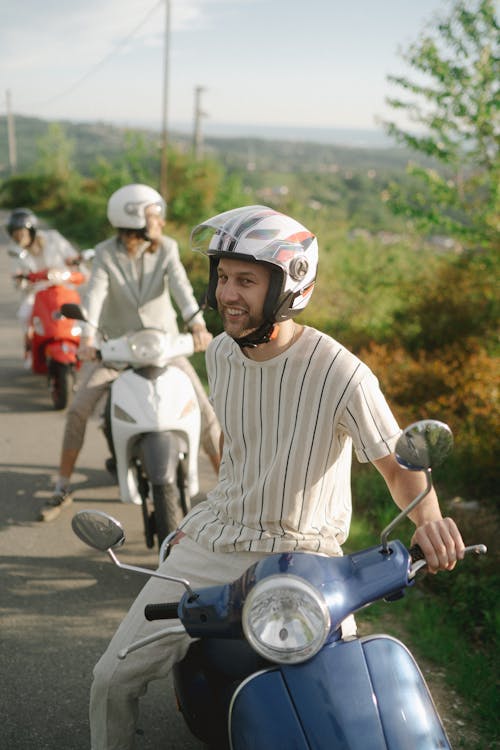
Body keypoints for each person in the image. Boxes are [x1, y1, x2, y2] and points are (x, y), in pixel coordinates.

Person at [88, 205, 465, 750]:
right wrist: (204, 517)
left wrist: (429, 524)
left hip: (306, 557)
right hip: (216, 541)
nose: (226, 294)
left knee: (346, 703)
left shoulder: (341, 371)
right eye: (222, 277)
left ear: (289, 287)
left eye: (246, 280)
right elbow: (234, 442)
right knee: (112, 677)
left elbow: (399, 464)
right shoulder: (219, 353)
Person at [40, 184, 221, 523]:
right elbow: (95, 293)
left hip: (163, 346)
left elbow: (182, 289)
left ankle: (230, 492)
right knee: (78, 409)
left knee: (207, 412)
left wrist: (196, 325)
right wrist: (88, 336)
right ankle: (62, 484)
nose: (161, 223)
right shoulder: (106, 253)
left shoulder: (167, 249)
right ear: (135, 218)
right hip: (117, 348)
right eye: (154, 215)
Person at [6, 208, 80, 363]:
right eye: (15, 233)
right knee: (24, 314)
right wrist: (21, 279)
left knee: (81, 313)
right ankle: (31, 346)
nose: (19, 237)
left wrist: (73, 261)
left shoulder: (52, 238)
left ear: (31, 231)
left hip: (61, 285)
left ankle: (86, 345)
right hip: (35, 291)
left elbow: (70, 254)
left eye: (22, 232)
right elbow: (17, 278)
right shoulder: (15, 252)